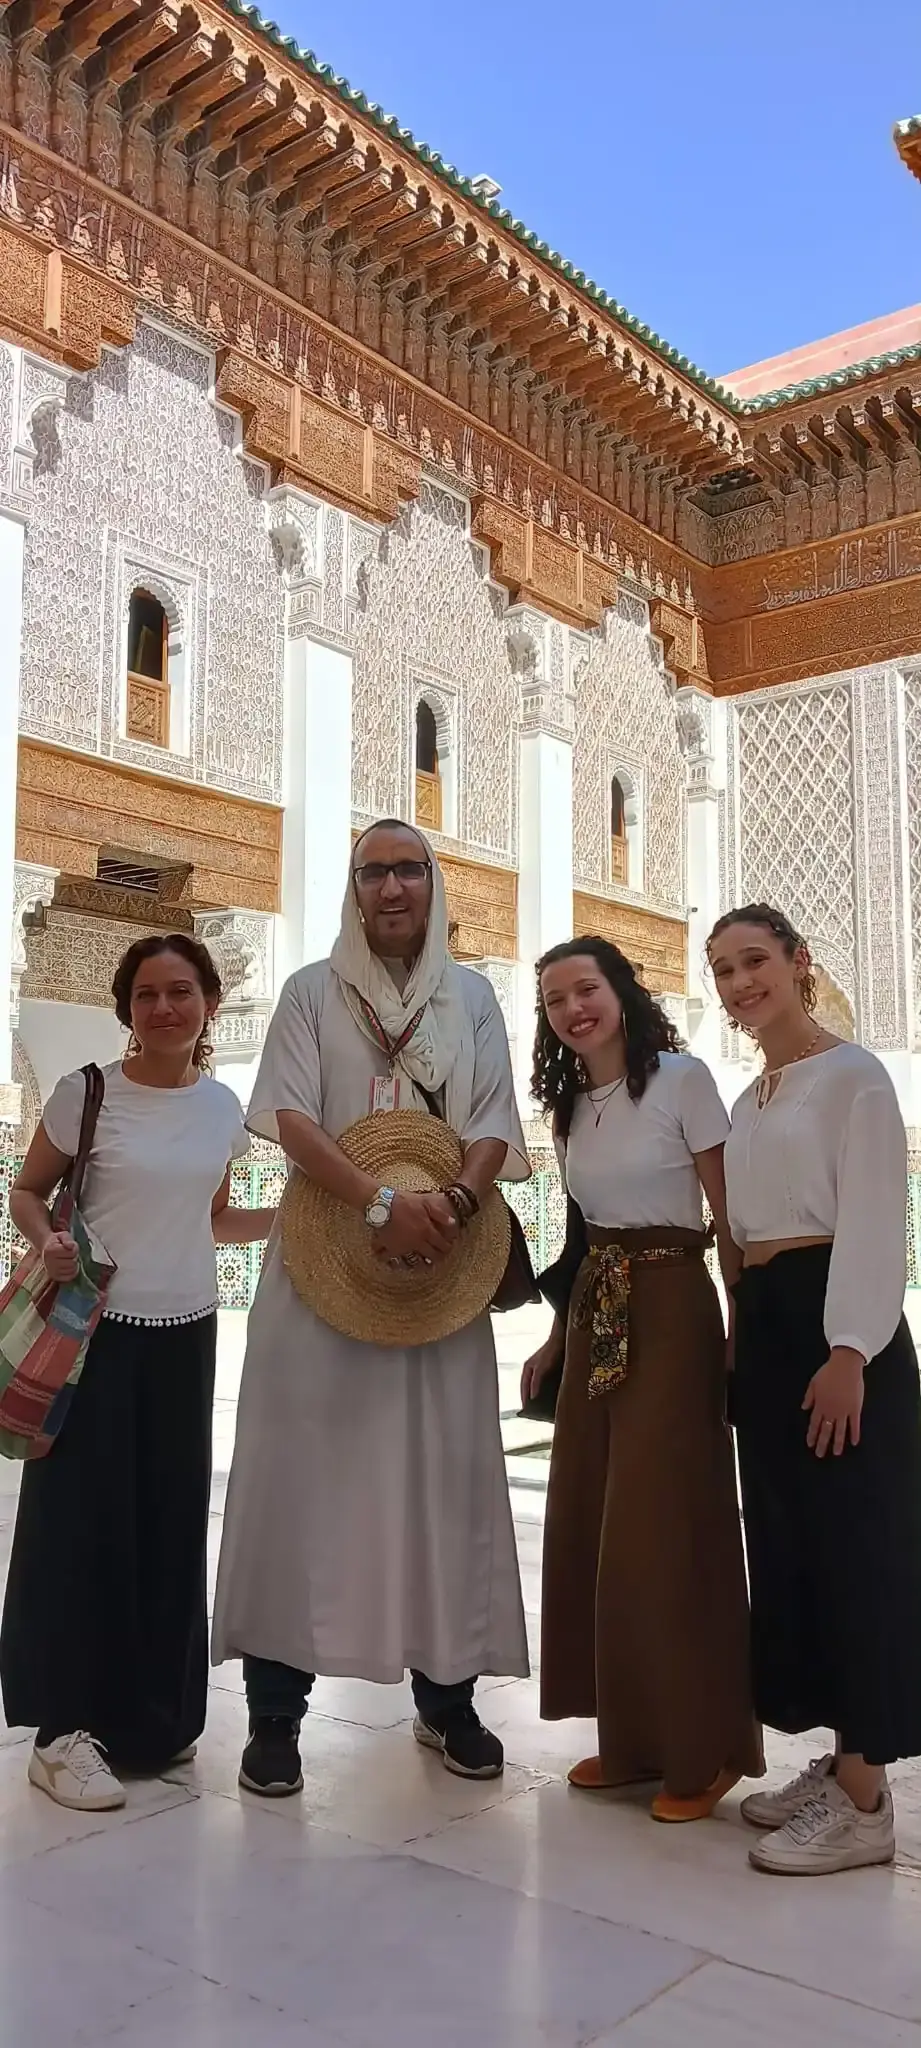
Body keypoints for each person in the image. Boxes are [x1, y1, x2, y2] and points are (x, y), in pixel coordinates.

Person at [211, 819, 531, 1794]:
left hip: (440, 1275)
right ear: (353, 889)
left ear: (433, 883)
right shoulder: (313, 991)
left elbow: (492, 1118)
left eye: (407, 869)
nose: (390, 887)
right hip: (322, 1272)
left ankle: (449, 1699)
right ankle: (275, 1715)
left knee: (445, 1484)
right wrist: (378, 1200)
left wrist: (455, 1203)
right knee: (298, 1482)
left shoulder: (471, 997)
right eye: (372, 872)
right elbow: (291, 1114)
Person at [1, 933, 274, 1812]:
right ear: (127, 1009)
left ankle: (153, 1719)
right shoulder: (86, 1094)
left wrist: (300, 1218)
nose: (164, 1008)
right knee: (77, 1524)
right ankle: (61, 1733)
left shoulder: (221, 1108)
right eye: (147, 994)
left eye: (181, 991)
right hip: (94, 1335)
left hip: (186, 1335)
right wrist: (45, 1236)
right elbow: (27, 1190)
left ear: (209, 1004)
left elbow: (213, 1220)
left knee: (166, 1520)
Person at [522, 937, 762, 1821]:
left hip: (671, 1306)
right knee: (597, 1520)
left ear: (619, 991)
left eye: (585, 989)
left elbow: (728, 1214)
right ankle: (629, 1740)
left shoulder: (683, 1081)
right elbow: (584, 1236)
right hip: (598, 1309)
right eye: (554, 1000)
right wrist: (556, 1335)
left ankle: (702, 1750)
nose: (572, 1009)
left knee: (664, 1523)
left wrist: (738, 1324)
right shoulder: (567, 1107)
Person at [707, 903, 921, 1876]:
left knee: (855, 1550)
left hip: (837, 1330)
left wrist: (848, 1352)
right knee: (794, 1549)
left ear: (798, 963)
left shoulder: (853, 1077)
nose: (739, 983)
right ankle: (841, 1766)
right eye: (722, 969)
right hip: (771, 1326)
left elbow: (874, 1220)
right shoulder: (751, 1097)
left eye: (754, 960)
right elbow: (743, 1236)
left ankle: (868, 1805)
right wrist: (740, 1336)